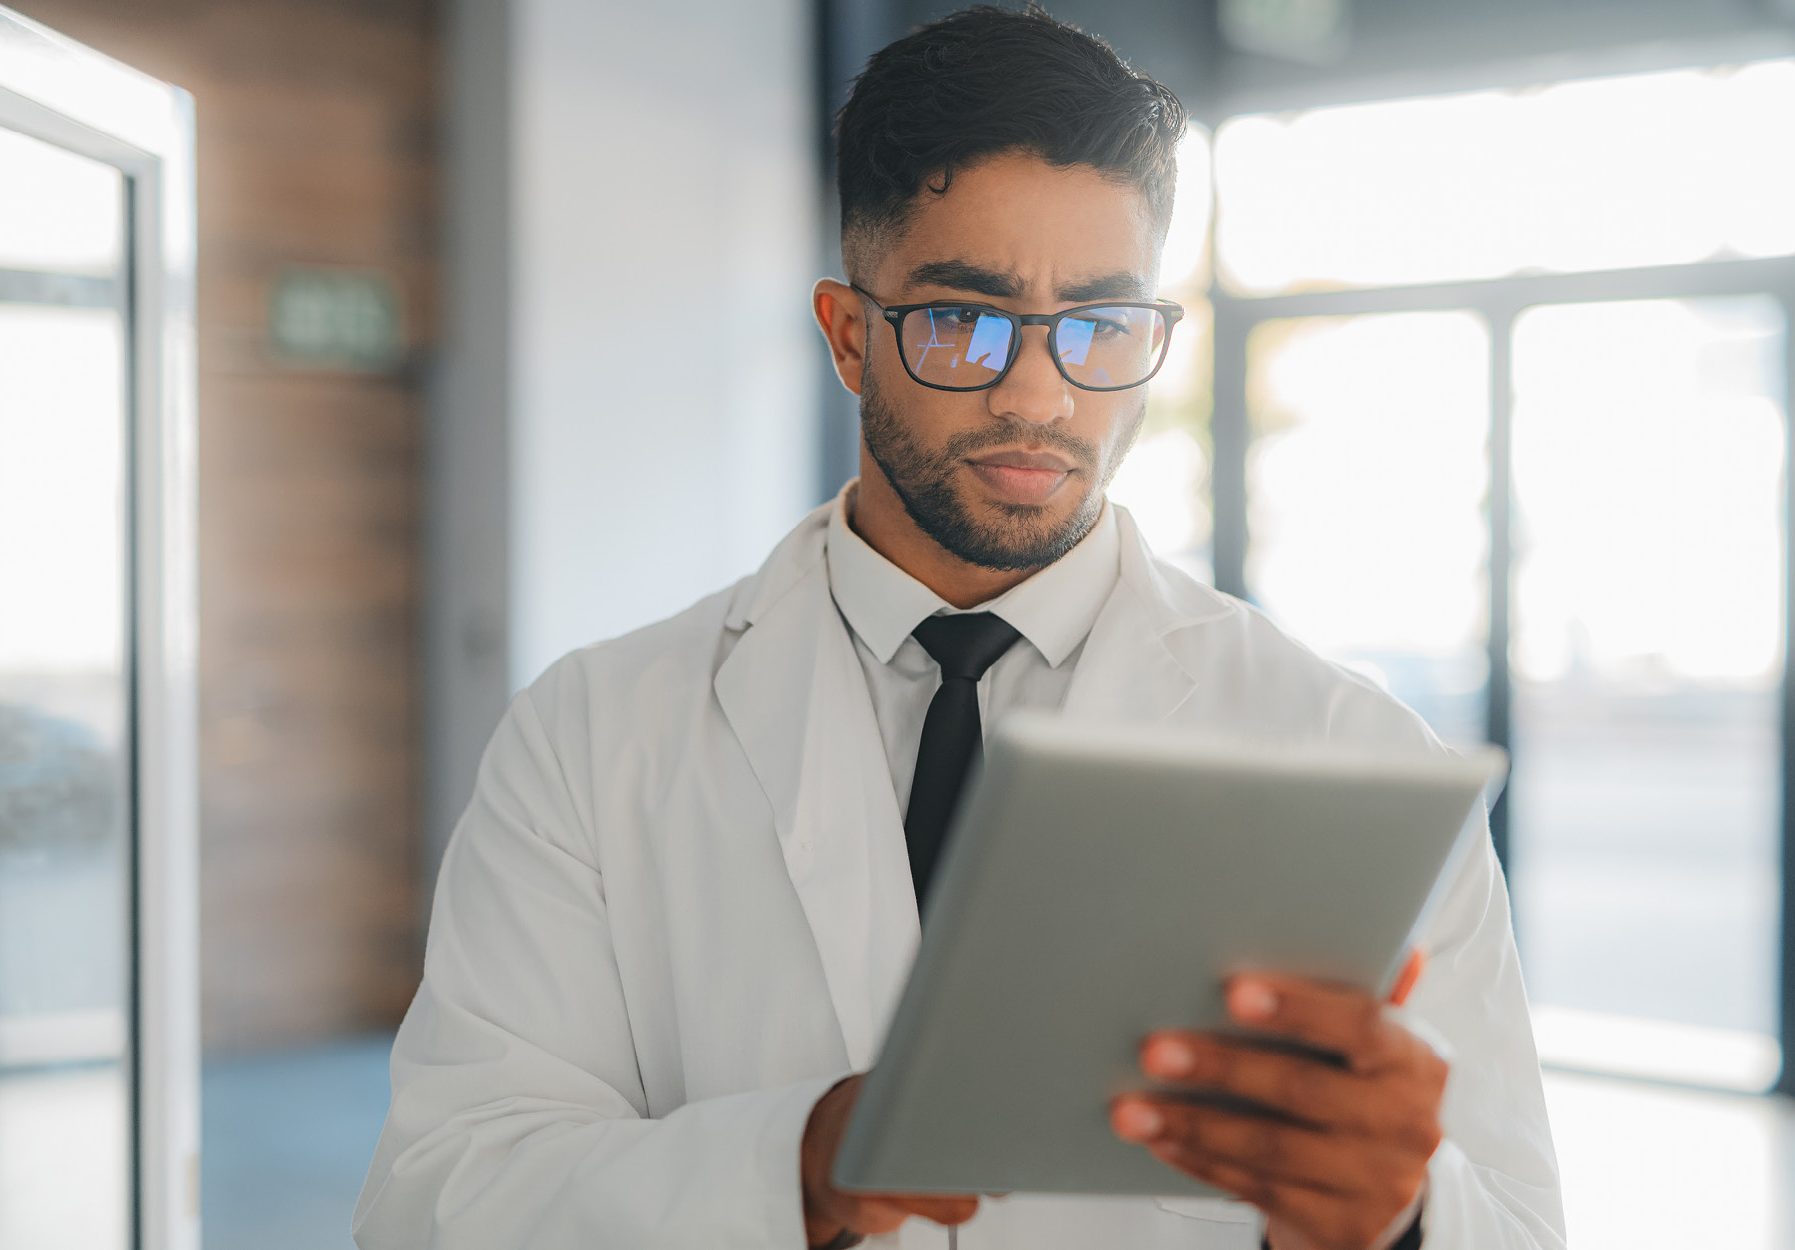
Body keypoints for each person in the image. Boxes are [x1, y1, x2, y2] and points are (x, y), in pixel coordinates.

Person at [353, 8, 1564, 1249]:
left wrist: (1404, 1218)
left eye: (1098, 326)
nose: (1037, 394)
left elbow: (1521, 1226)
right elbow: (432, 1204)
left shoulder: (1351, 749)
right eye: (961, 319)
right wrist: (795, 1169)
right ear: (846, 335)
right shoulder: (592, 735)